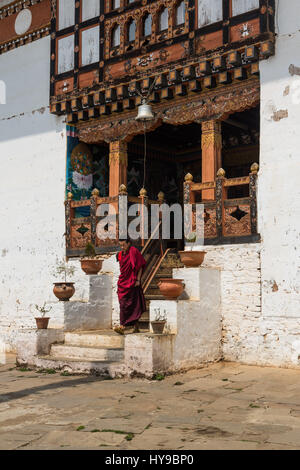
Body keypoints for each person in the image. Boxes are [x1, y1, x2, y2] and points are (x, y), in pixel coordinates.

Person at [114, 239, 146, 335]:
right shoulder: (119, 255)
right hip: (123, 282)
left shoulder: (134, 251)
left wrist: (138, 280)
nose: (122, 247)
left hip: (132, 282)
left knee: (134, 305)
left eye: (124, 245)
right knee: (123, 303)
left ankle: (124, 326)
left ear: (128, 243)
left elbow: (140, 266)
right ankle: (130, 326)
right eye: (120, 245)